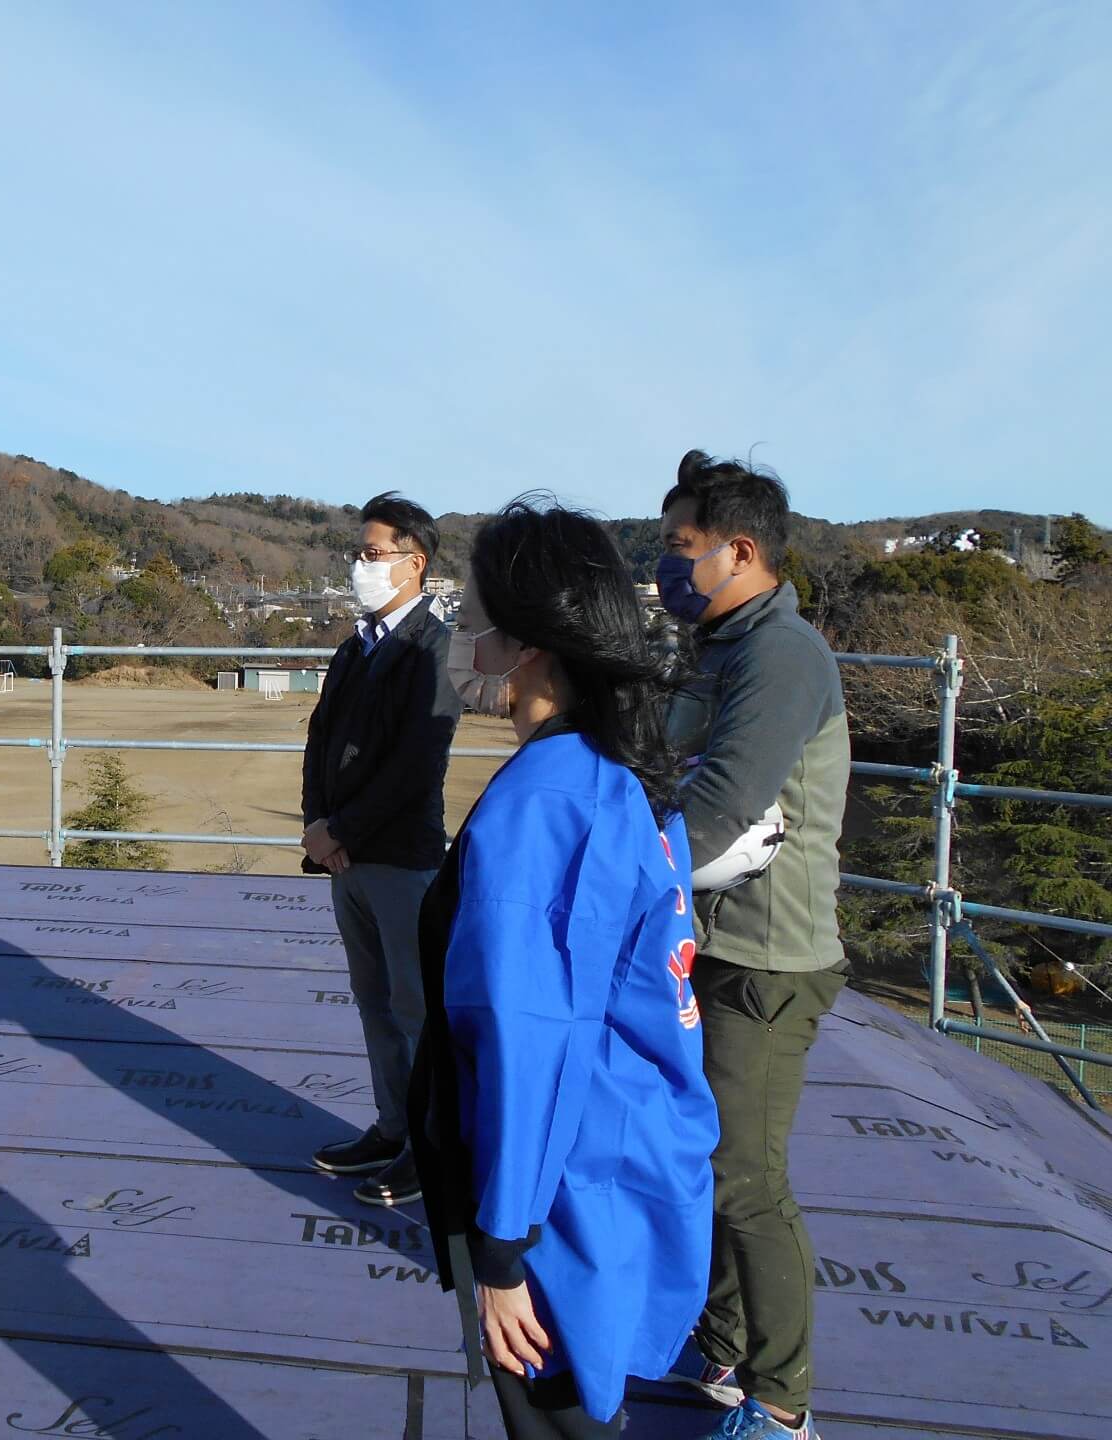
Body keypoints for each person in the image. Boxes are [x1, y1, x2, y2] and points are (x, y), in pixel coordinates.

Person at [407, 498, 718, 1440]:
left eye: (473, 610)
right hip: (616, 1162)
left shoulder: (544, 806)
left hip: (560, 1194)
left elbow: (529, 1033)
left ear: (526, 639)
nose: (461, 630)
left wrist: (501, 1249)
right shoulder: (618, 772)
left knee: (559, 1421)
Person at [656, 451, 849, 1440]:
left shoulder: (781, 656)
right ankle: (723, 1338)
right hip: (717, 941)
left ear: (740, 551)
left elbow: (719, 802)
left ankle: (781, 1400)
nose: (667, 565)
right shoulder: (723, 644)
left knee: (745, 1178)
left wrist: (617, 882)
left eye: (681, 548)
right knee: (716, 1158)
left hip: (769, 960)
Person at [301, 491, 461, 1207]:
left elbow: (415, 766)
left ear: (413, 562)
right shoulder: (353, 646)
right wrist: (317, 824)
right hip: (346, 857)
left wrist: (343, 830)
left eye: (372, 555)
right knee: (373, 1002)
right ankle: (392, 1127)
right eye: (358, 554)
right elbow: (319, 739)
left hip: (400, 857)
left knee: (417, 1007)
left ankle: (430, 1150)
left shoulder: (436, 648)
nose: (359, 566)